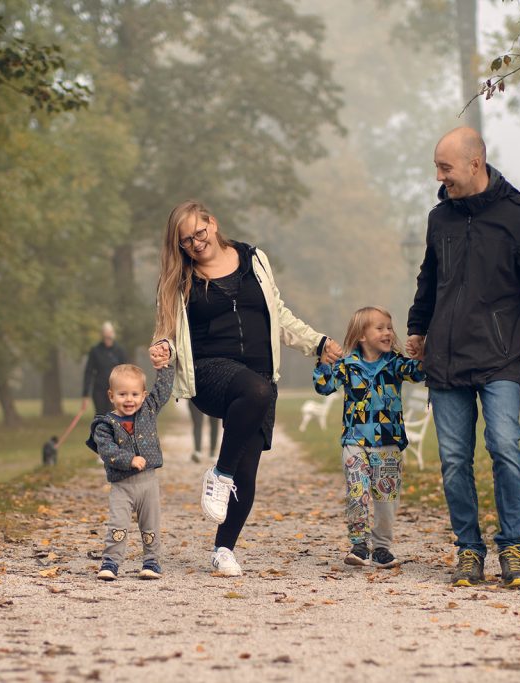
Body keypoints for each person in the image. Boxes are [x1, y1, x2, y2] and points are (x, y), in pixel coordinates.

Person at [406, 127, 520, 588]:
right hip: (445, 359)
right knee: (454, 459)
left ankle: (513, 547)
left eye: (445, 168)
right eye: (437, 168)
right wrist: (417, 329)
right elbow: (430, 278)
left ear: (475, 164)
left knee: (504, 447)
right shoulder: (439, 218)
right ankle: (468, 551)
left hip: (500, 356)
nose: (439, 177)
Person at [149, 199, 342, 577]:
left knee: (248, 470)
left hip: (259, 374)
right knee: (257, 394)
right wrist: (163, 349)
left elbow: (278, 314)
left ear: (213, 224)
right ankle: (218, 475)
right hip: (211, 372)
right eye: (185, 241)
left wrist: (316, 343)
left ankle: (223, 548)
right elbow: (170, 332)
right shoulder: (180, 278)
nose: (195, 244)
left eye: (199, 233)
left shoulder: (254, 260)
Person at [312, 306, 426, 569]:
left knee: (386, 500)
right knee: (357, 492)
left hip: (388, 443)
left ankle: (382, 547)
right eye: (380, 328)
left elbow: (418, 372)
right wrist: (324, 363)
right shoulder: (348, 366)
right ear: (362, 335)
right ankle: (359, 545)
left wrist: (422, 354)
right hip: (355, 441)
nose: (388, 332)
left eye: (389, 327)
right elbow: (324, 387)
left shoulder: (395, 363)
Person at [85, 360, 173, 581]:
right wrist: (130, 459)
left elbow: (163, 388)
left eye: (134, 394)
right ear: (111, 395)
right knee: (118, 525)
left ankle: (152, 562)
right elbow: (107, 451)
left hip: (148, 484)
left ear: (143, 395)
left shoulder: (148, 411)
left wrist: (165, 365)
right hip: (122, 486)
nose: (129, 399)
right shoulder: (105, 425)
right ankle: (111, 562)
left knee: (150, 524)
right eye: (122, 394)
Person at [82, 322, 131, 414]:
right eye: (105, 336)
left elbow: (126, 372)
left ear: (113, 334)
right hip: (99, 390)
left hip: (116, 390)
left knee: (114, 416)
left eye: (109, 335)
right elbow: (88, 372)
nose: (108, 339)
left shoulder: (120, 351)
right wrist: (85, 394)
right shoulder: (95, 351)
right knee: (101, 416)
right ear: (102, 335)